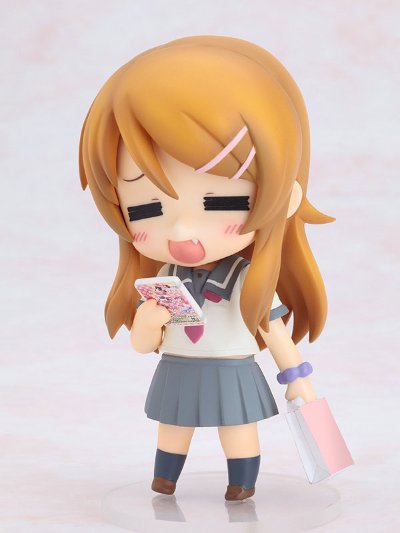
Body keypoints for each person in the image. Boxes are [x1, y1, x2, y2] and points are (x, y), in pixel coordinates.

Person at [79, 35, 335, 501]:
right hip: (178, 365)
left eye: (222, 203)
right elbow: (143, 345)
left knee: (237, 428)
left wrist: (299, 379)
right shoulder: (165, 279)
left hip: (232, 368)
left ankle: (242, 483)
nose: (181, 232)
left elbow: (274, 333)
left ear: (286, 197)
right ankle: (165, 478)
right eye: (145, 210)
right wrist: (149, 321)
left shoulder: (244, 279)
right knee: (172, 426)